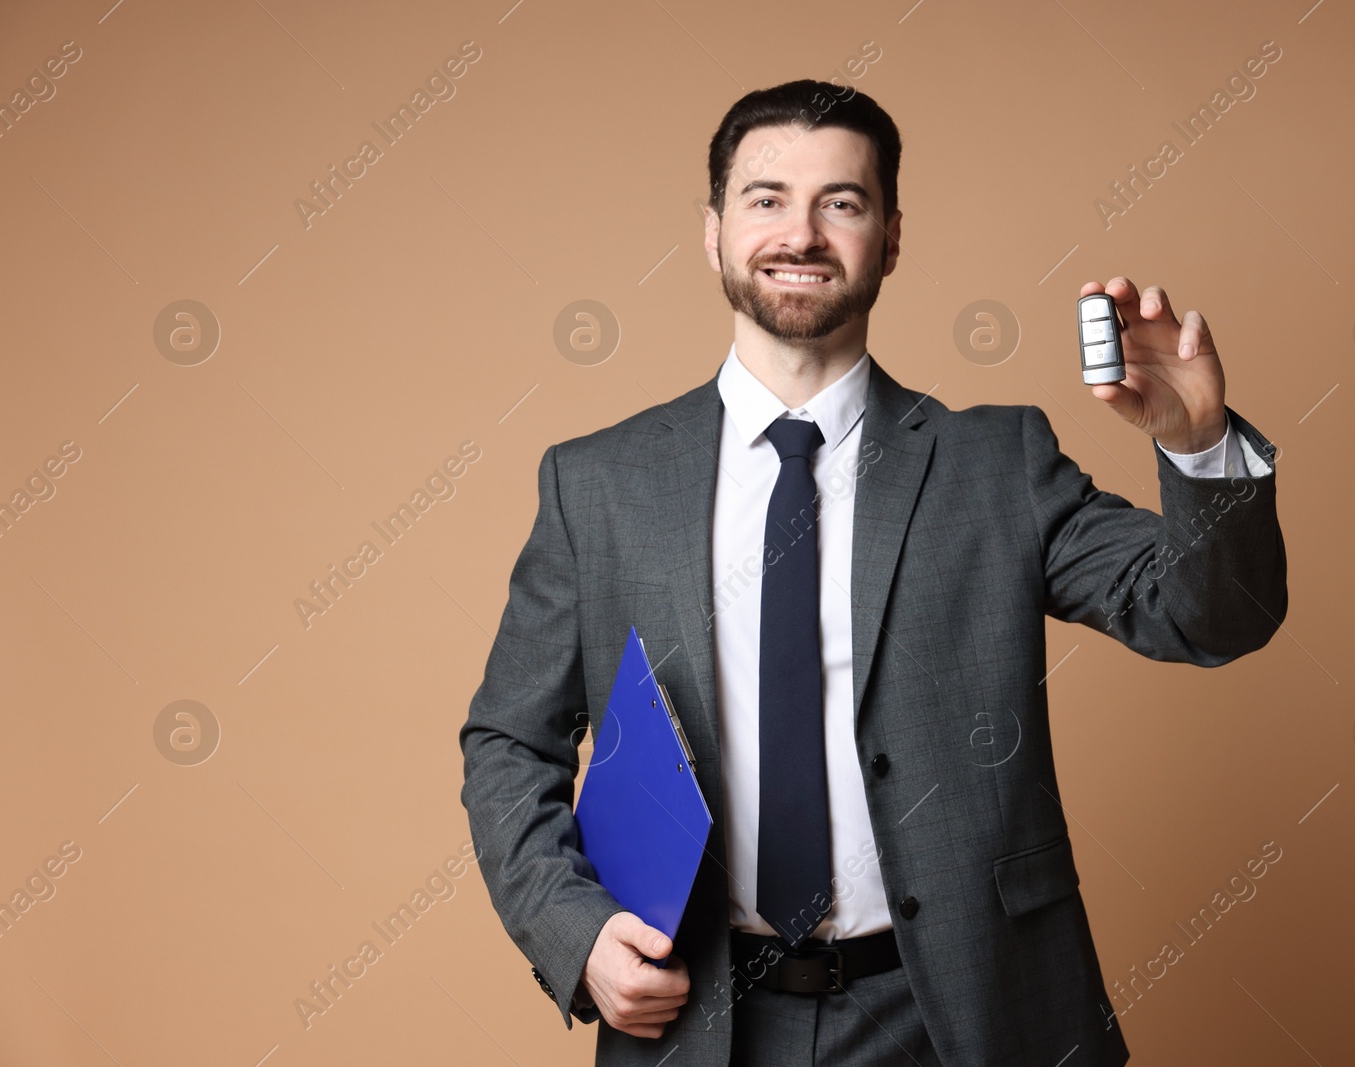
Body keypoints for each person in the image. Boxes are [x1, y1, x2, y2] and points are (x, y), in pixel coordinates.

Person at [459, 79, 1286, 1067]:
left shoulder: (996, 464)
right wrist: (576, 930)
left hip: (959, 1015)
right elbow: (510, 739)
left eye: (840, 203)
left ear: (890, 237)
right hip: (699, 1018)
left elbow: (1209, 614)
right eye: (765, 198)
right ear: (713, 231)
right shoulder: (596, 483)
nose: (800, 233)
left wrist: (1196, 444)